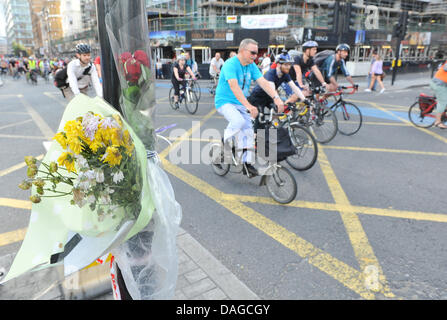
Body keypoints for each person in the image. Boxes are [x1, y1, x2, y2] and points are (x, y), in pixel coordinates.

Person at [214, 38, 284, 177]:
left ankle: (247, 165)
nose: (255, 56)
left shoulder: (251, 65)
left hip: (240, 103)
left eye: (256, 53)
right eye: (252, 53)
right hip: (225, 101)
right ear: (242, 51)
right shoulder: (230, 64)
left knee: (248, 132)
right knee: (238, 122)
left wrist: (277, 98)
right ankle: (225, 143)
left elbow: (263, 82)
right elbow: (234, 87)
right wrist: (249, 106)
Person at [248, 55, 307, 131]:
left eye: (289, 65)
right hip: (257, 98)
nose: (288, 67)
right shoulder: (271, 73)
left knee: (278, 113)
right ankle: (257, 141)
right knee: (260, 122)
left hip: (269, 97)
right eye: (286, 64)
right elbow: (272, 89)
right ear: (279, 64)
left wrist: (304, 100)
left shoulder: (285, 75)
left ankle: (271, 129)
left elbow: (294, 88)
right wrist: (278, 101)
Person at [430, 59, 447, 129]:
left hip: (443, 85)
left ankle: (443, 115)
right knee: (443, 102)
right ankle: (438, 122)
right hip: (438, 85)